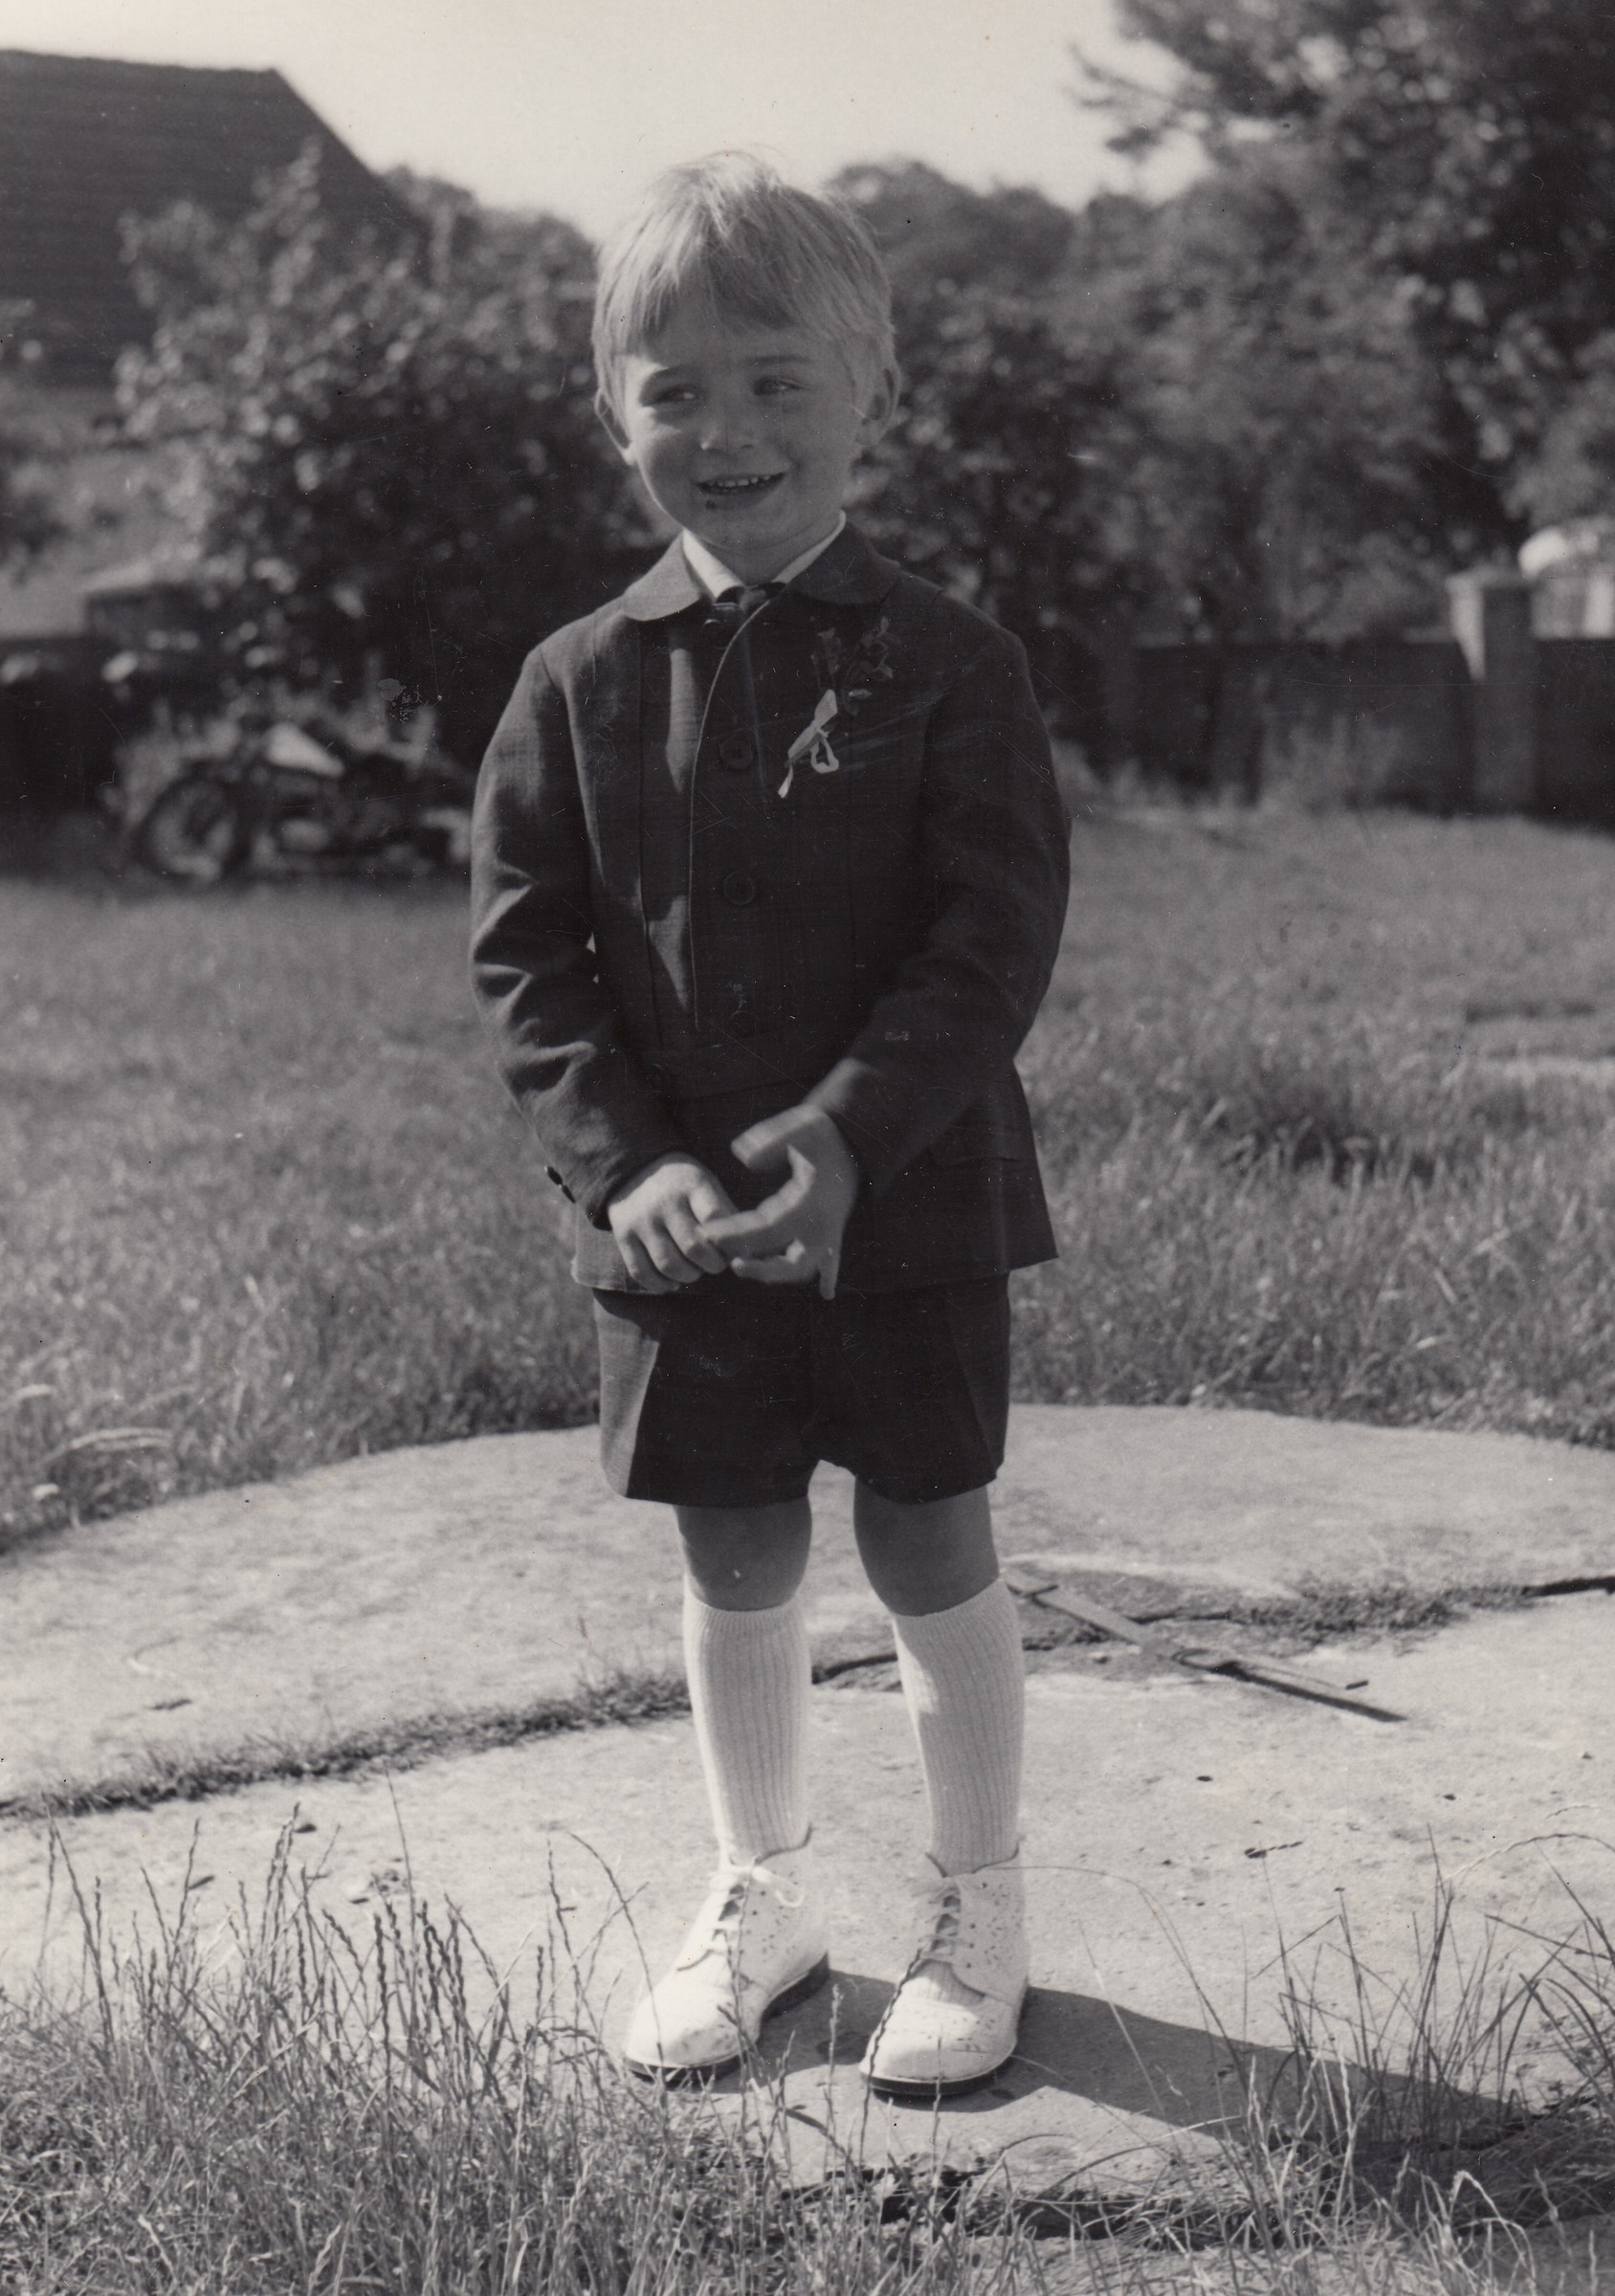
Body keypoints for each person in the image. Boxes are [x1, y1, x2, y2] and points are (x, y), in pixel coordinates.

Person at [469, 154, 1070, 2098]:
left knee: (924, 1531)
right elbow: (527, 961)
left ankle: (978, 1903)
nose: (727, 431)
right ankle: (763, 1890)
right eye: (676, 390)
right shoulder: (572, 682)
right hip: (678, 1227)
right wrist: (626, 1165)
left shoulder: (952, 663)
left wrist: (851, 1131)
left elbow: (989, 943)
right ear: (611, 411)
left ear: (871, 386)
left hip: (908, 1202)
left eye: (777, 380)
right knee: (733, 1548)